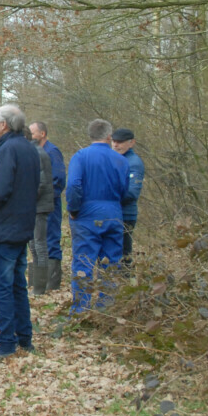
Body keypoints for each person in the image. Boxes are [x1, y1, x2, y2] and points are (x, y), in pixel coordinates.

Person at [0, 104, 40, 362]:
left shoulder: (9, 150)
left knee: (2, 288)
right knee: (17, 286)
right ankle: (25, 339)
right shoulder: (28, 148)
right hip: (21, 227)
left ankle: (6, 345)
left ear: (4, 124)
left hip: (4, 230)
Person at [65, 119, 129, 311]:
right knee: (111, 264)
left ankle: (80, 310)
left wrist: (74, 209)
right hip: (113, 213)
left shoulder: (81, 156)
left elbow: (74, 185)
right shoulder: (121, 160)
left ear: (90, 135)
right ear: (109, 136)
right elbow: (125, 190)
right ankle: (105, 309)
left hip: (86, 214)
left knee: (83, 262)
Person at [28, 122, 66, 291]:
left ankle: (51, 282)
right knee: (36, 242)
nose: (30, 136)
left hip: (50, 205)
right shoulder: (35, 152)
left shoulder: (52, 152)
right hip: (37, 205)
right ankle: (38, 280)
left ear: (42, 134)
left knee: (49, 240)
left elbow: (58, 180)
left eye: (33, 133)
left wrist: (47, 199)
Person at [110, 128, 144, 267]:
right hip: (112, 212)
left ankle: (125, 282)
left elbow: (132, 193)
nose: (116, 145)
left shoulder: (134, 162)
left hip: (126, 214)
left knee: (124, 253)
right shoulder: (112, 159)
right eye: (114, 141)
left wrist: (109, 198)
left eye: (120, 142)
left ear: (131, 143)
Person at [29, 133, 54, 295]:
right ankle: (36, 285)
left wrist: (28, 200)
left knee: (39, 245)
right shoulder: (36, 151)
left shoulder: (37, 153)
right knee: (34, 245)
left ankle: (40, 287)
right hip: (37, 206)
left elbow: (41, 182)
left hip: (39, 207)